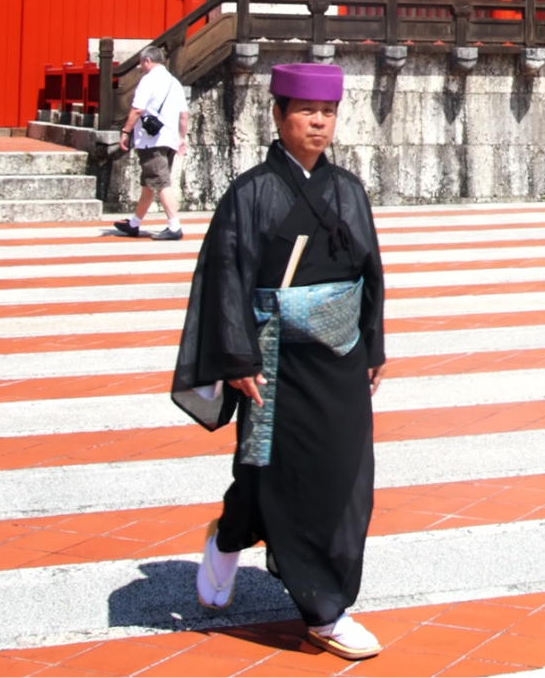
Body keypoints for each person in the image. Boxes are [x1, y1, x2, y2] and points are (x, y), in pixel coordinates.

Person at [170, 62, 387, 661]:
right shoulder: (251, 194)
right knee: (277, 472)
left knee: (343, 475)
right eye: (305, 112)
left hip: (339, 358)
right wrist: (235, 355)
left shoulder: (346, 190)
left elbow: (370, 276)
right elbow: (226, 279)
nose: (319, 123)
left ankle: (229, 536)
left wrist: (372, 344)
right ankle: (325, 610)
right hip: (272, 360)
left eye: (328, 113)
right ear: (278, 116)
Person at [113, 45, 187, 241]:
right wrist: (181, 138)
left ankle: (174, 226)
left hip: (151, 141)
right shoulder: (174, 83)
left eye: (141, 62)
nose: (140, 66)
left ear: (147, 61)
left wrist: (125, 131)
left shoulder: (148, 81)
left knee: (161, 183)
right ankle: (134, 223)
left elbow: (137, 110)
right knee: (149, 184)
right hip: (169, 139)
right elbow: (183, 115)